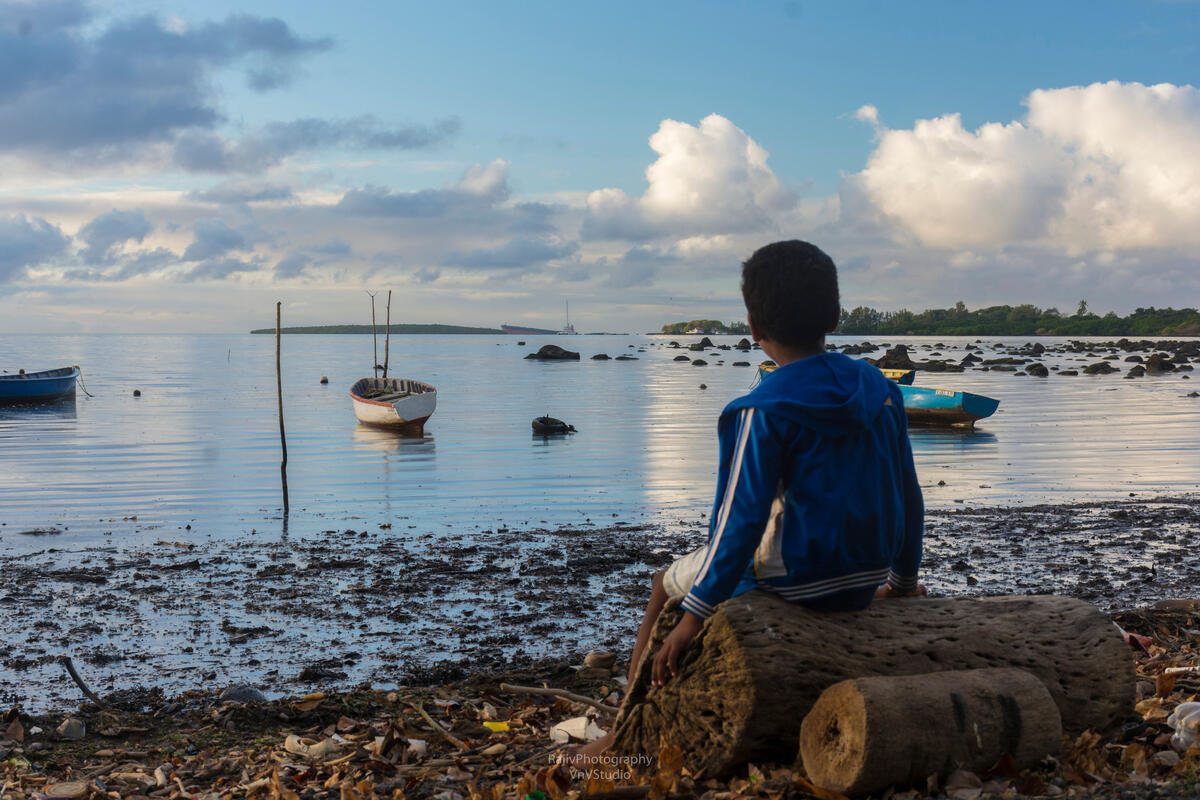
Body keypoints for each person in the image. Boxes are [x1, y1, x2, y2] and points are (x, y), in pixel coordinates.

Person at [566, 239, 924, 764]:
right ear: (835, 314)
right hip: (865, 574)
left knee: (661, 585)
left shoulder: (762, 409)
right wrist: (903, 582)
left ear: (754, 328)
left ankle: (623, 731)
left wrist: (693, 615)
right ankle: (624, 723)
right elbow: (909, 495)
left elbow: (739, 524)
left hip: (798, 578)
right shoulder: (880, 388)